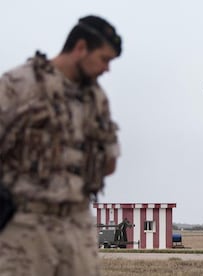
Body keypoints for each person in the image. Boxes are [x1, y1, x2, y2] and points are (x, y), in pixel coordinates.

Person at [0, 15, 122, 276]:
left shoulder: (96, 99)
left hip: (77, 228)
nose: (107, 69)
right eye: (104, 59)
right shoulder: (18, 85)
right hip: (25, 228)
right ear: (80, 48)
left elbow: (110, 162)